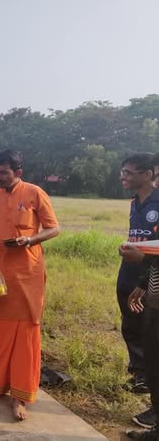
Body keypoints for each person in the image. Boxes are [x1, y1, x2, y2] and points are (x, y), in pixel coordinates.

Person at [0, 149, 60, 421]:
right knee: (0, 332)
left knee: (25, 337)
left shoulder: (35, 193)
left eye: (4, 173)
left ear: (18, 173)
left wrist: (30, 240)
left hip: (28, 275)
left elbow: (54, 228)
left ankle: (20, 396)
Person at [118, 153, 159, 431]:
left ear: (147, 174)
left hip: (149, 275)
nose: (123, 177)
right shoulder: (135, 202)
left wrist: (143, 264)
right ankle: (140, 373)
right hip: (137, 274)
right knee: (132, 326)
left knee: (150, 336)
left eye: (129, 172)